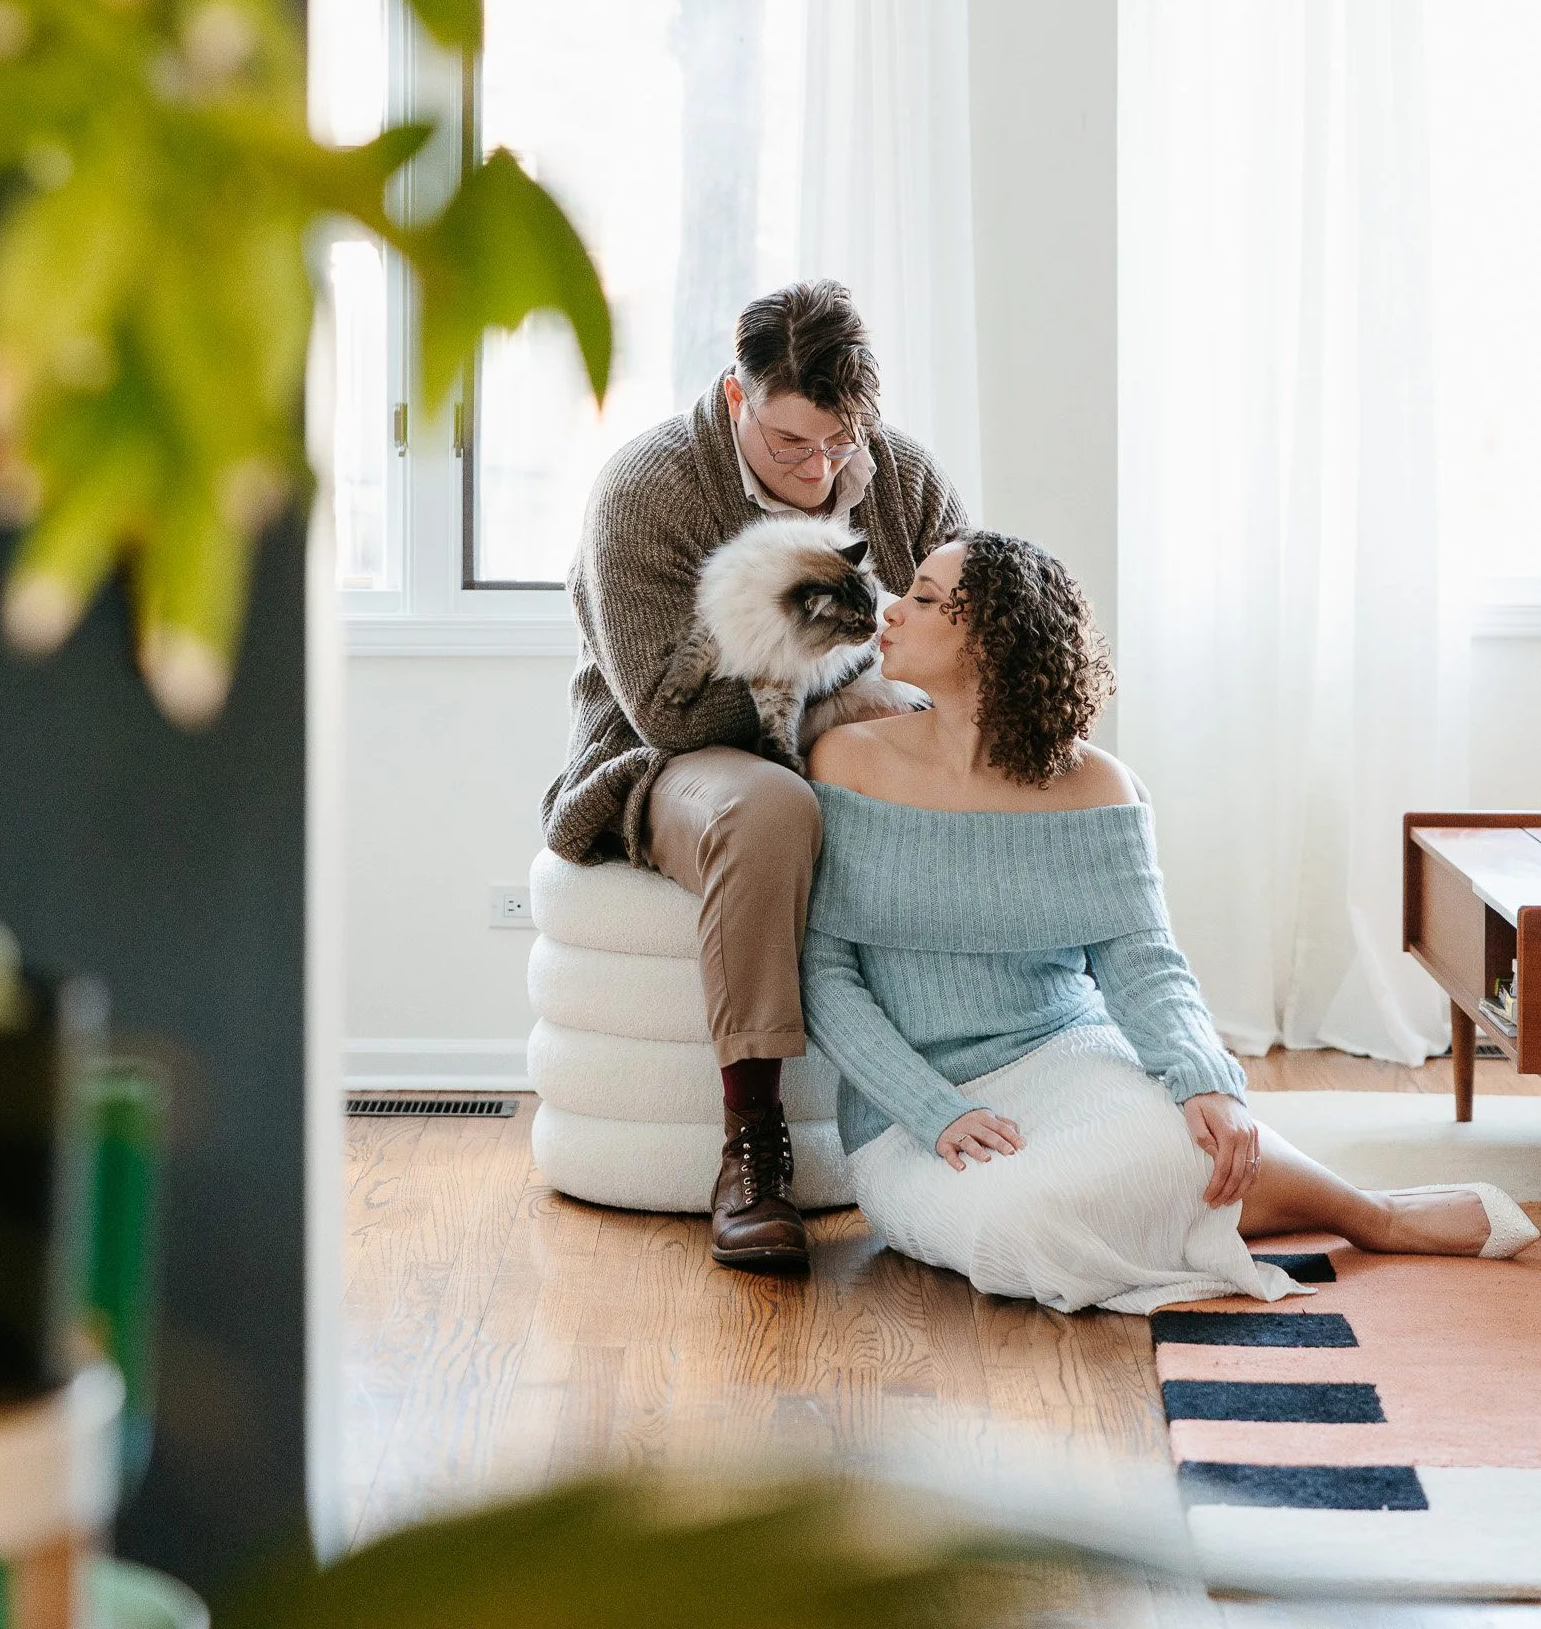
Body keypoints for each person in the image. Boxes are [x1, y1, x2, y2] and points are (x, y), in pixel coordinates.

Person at [802, 532, 1538, 1312]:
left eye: (922, 598)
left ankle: (1369, 1216)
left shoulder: (1097, 786)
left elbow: (1143, 962)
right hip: (906, 1109)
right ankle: (1282, 1212)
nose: (890, 612)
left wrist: (1203, 1082)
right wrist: (932, 1109)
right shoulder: (845, 760)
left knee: (1199, 1146)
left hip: (1065, 1058)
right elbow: (824, 974)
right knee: (1014, 1233)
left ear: (990, 639)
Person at [542, 282, 966, 1273]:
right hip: (668, 761)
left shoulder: (899, 475)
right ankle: (753, 1148)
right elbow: (672, 706)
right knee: (770, 805)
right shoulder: (646, 489)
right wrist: (849, 699)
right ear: (738, 399)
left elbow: (964, 639)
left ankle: (999, 1088)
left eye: (839, 440)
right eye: (789, 444)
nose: (821, 468)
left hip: (857, 731)